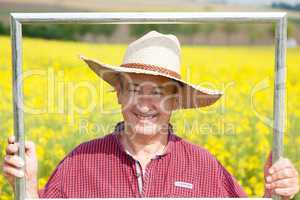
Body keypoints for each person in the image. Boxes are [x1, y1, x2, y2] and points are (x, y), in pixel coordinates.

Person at [2, 31, 299, 198]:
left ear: (174, 101)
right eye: (133, 89)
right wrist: (26, 185)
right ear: (118, 94)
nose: (144, 103)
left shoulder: (204, 166)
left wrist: (277, 194)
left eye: (158, 92)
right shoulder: (80, 162)